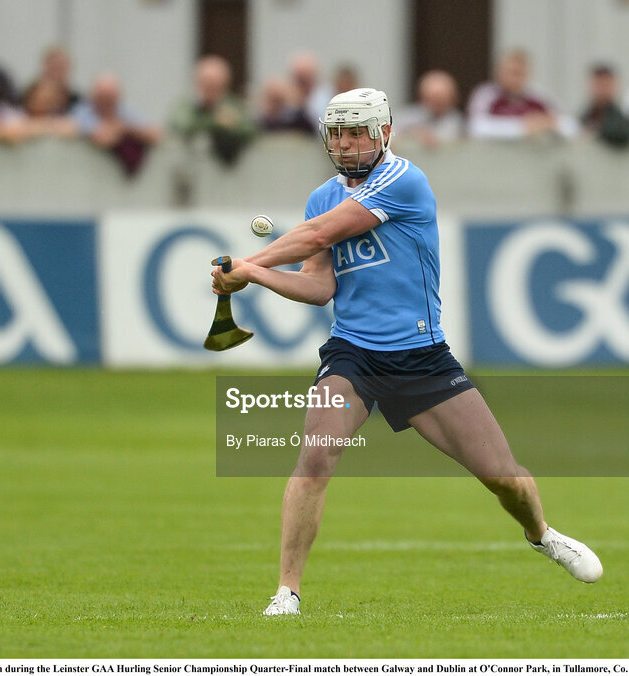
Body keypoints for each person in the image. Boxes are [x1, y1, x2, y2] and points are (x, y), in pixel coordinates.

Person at [210, 88, 603, 616]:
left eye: (358, 133)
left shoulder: (403, 180)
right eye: (339, 134)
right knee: (315, 457)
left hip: (422, 357)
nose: (347, 145)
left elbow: (322, 233)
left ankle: (542, 534)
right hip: (353, 354)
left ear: (384, 133)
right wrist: (256, 276)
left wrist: (247, 265)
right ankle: (287, 592)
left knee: (503, 478)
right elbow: (319, 287)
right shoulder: (322, 195)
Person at [467, 49, 574, 139]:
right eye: (510, 72)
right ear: (498, 72)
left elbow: (570, 126)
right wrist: (522, 127)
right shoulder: (486, 95)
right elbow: (476, 127)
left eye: (519, 73)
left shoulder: (538, 95)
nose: (514, 78)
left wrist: (548, 124)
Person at [170, 55, 256, 165]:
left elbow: (249, 130)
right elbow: (184, 124)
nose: (210, 89)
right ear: (197, 82)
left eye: (215, 85)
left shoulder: (233, 104)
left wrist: (232, 126)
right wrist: (217, 121)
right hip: (190, 167)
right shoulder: (184, 104)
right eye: (206, 84)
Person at [73, 73, 161, 175]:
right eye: (103, 97)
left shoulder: (125, 111)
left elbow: (156, 134)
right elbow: (104, 139)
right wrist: (123, 130)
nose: (106, 102)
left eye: (110, 97)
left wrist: (124, 129)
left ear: (118, 96)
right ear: (94, 97)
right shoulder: (83, 112)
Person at [397, 70, 463, 148]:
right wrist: (412, 134)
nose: (438, 104)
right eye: (433, 99)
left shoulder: (457, 121)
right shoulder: (407, 117)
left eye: (442, 100)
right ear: (422, 97)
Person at [578, 64, 629, 148]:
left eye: (606, 85)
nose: (602, 90)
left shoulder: (621, 119)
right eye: (599, 84)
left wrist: (593, 132)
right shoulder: (585, 116)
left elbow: (622, 133)